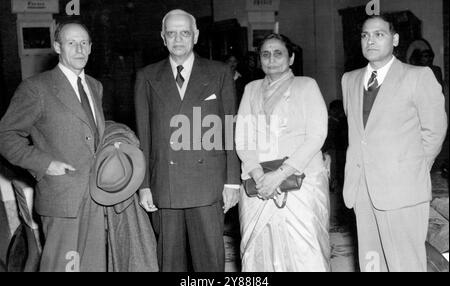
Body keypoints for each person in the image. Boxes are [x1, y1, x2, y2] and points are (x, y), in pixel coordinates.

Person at [134, 9, 241, 272]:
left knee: (210, 263)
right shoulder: (146, 76)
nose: (178, 39)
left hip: (208, 184)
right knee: (170, 262)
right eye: (171, 33)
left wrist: (232, 181)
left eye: (184, 33)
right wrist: (144, 185)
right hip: (165, 185)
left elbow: (229, 129)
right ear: (163, 37)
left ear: (196, 36)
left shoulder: (219, 72)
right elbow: (144, 137)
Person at [341, 14, 448, 272]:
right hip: (362, 188)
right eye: (366, 35)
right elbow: (359, 135)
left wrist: (413, 168)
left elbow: (434, 130)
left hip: (403, 188)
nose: (371, 41)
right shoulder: (349, 80)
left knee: (405, 265)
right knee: (371, 263)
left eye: (379, 34)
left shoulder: (418, 76)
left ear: (395, 39)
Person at [0, 21, 107, 271]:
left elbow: (90, 133)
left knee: (93, 267)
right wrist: (46, 164)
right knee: (63, 267)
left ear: (91, 48)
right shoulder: (36, 88)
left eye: (84, 43)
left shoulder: (95, 86)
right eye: (71, 43)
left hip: (96, 196)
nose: (79, 49)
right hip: (62, 199)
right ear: (58, 47)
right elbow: (5, 135)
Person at [235, 33, 330, 272]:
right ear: (259, 60)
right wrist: (259, 176)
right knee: (259, 252)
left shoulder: (306, 85)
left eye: (279, 53)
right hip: (259, 184)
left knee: (305, 252)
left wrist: (279, 175)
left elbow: (316, 135)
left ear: (291, 58)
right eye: (265, 54)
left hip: (301, 180)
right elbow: (243, 138)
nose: (272, 59)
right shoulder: (250, 89)